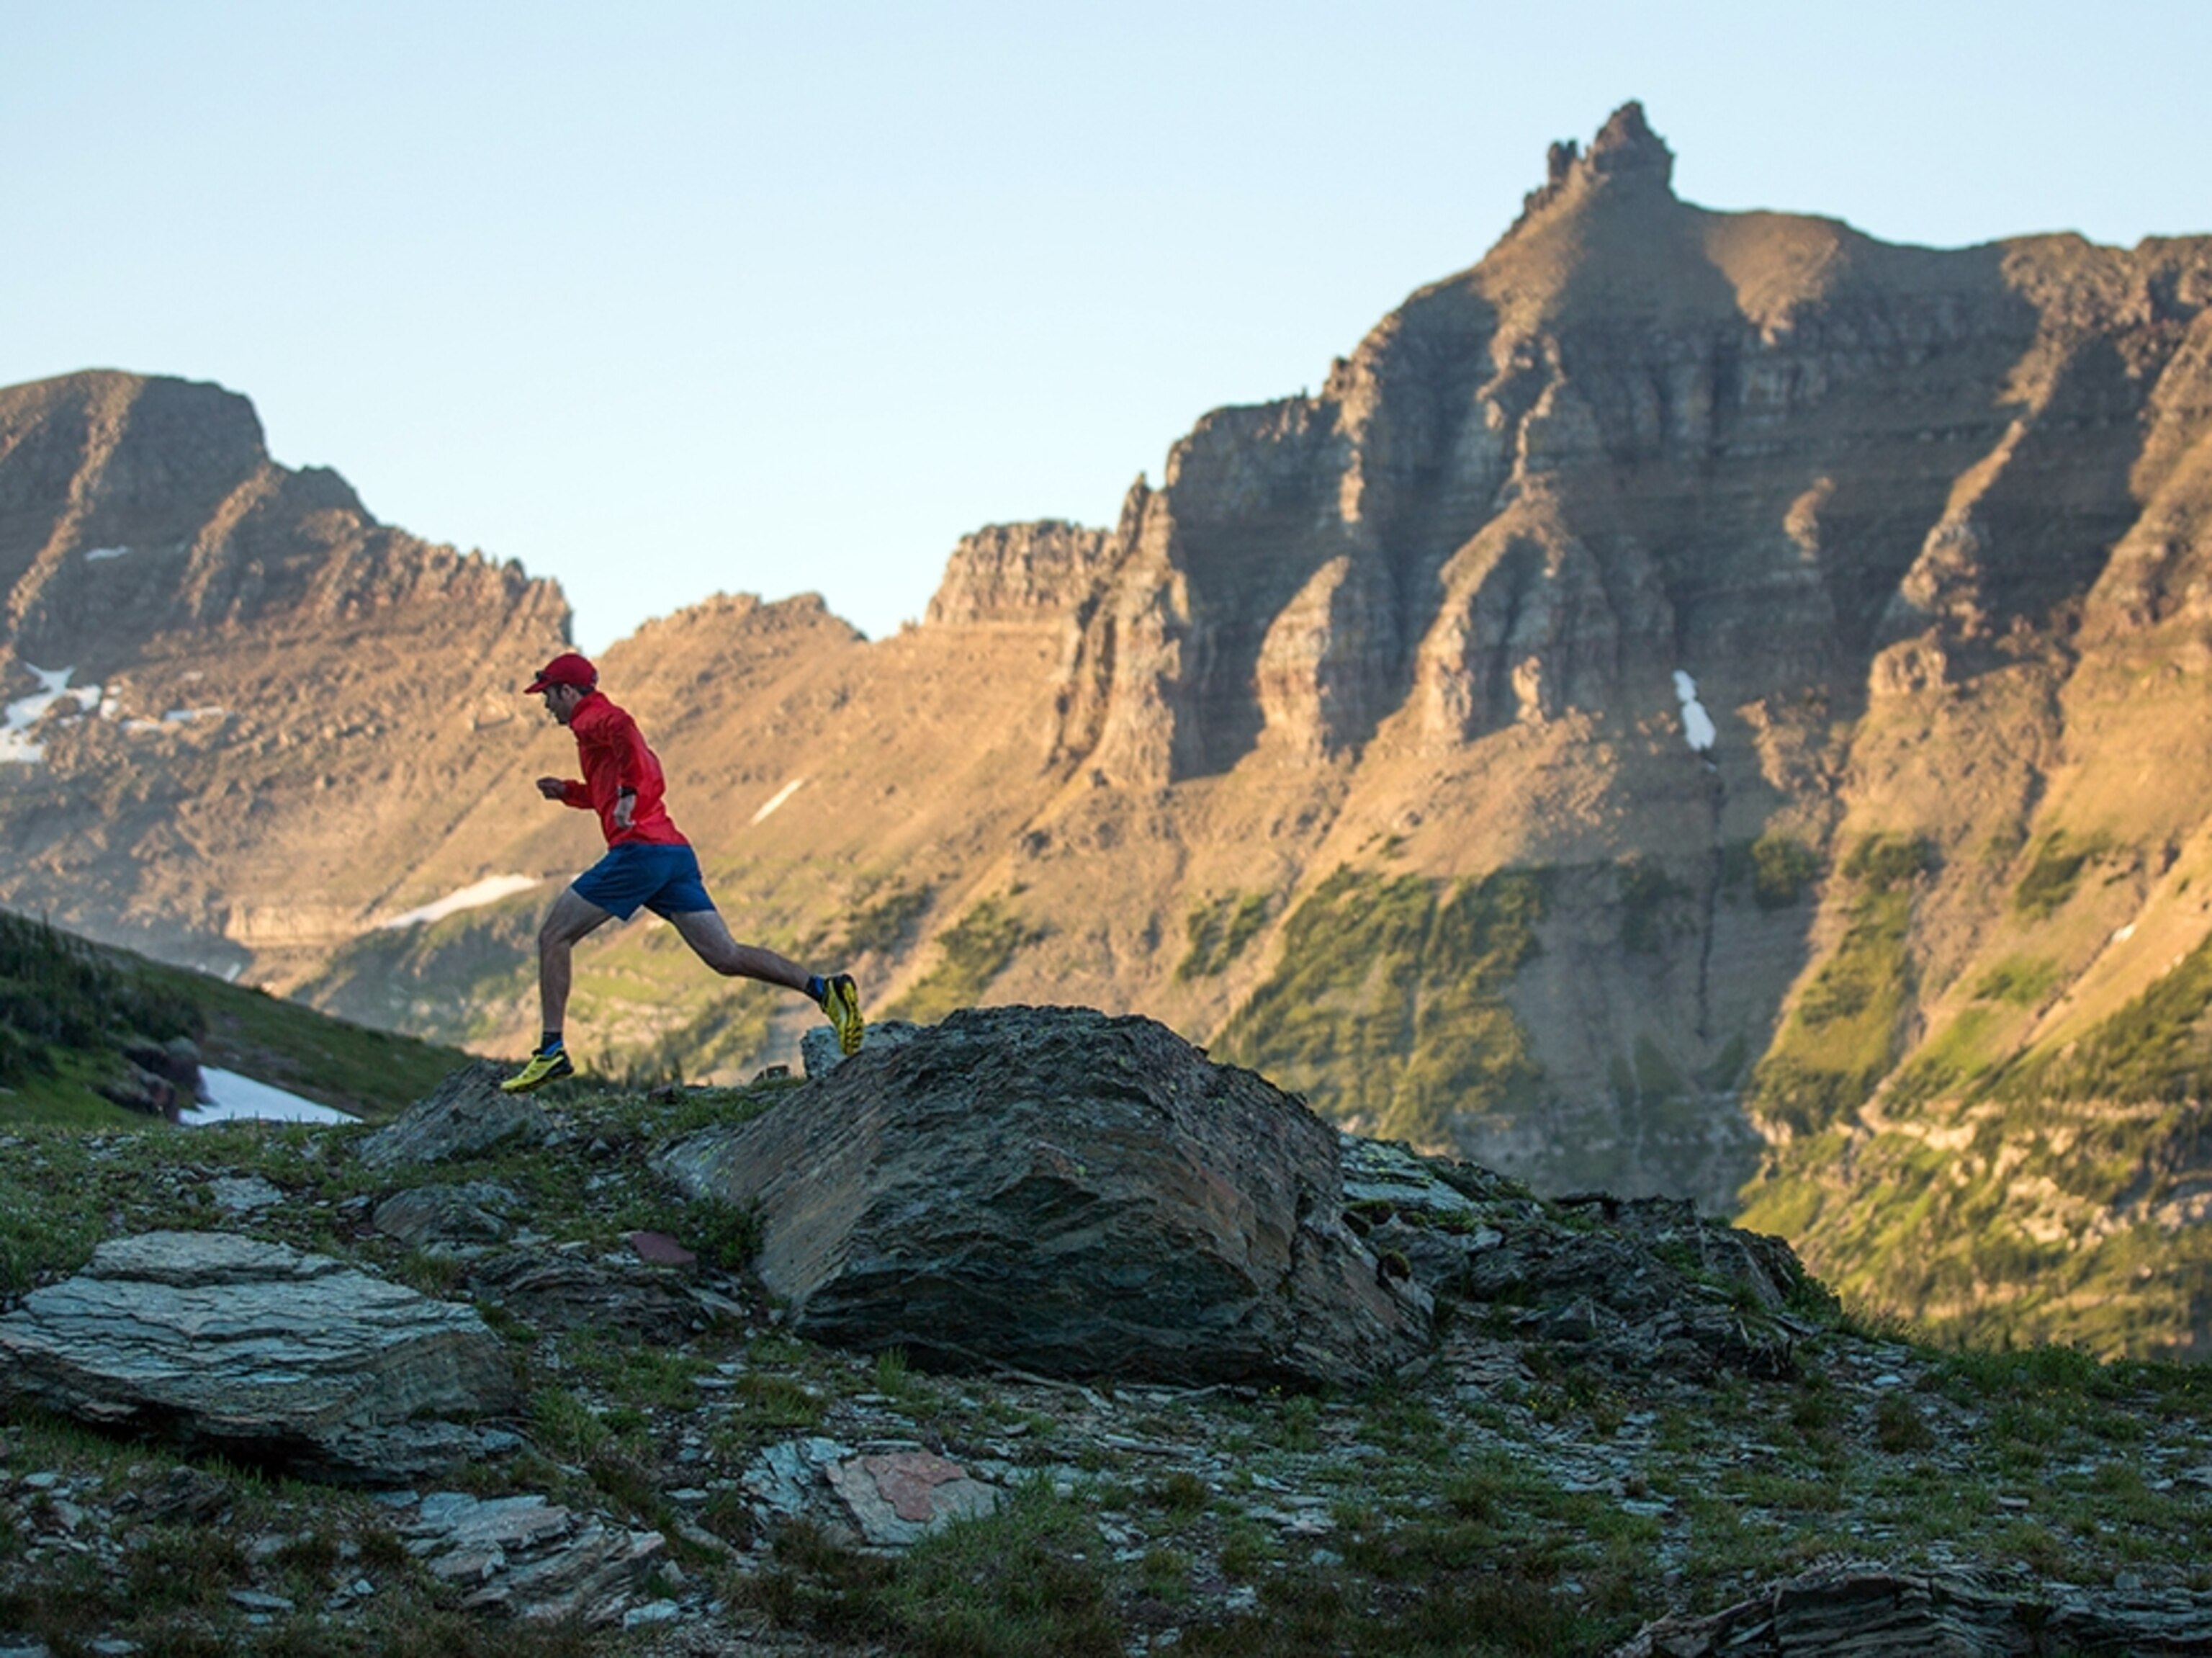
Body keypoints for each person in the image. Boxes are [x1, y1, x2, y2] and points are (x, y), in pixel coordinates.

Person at [500, 650, 863, 1093]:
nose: (546, 706)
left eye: (548, 696)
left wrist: (630, 794)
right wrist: (570, 793)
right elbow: (624, 778)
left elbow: (627, 734)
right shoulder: (594, 727)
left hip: (640, 854)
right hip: (672, 852)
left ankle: (551, 1050)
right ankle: (826, 990)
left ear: (568, 691)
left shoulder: (591, 718)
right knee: (725, 957)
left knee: (553, 936)